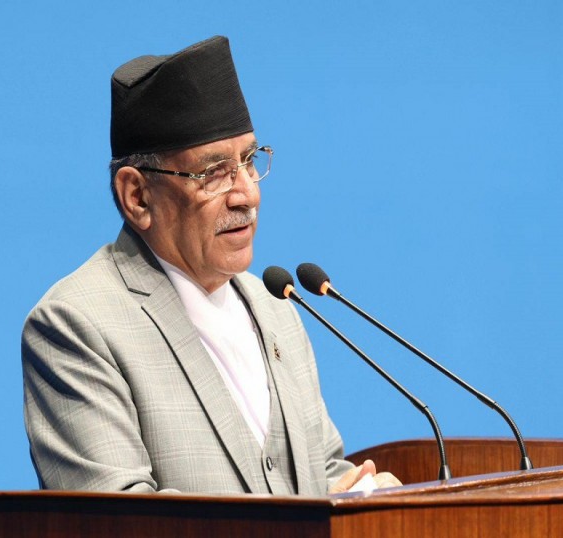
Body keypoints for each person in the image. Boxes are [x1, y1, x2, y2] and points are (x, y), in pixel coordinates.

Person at [21, 36, 399, 495]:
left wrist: (361, 494)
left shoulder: (276, 306)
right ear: (137, 197)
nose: (248, 194)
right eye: (214, 172)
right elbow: (119, 519)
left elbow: (319, 473)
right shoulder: (78, 325)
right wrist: (307, 520)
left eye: (249, 161)